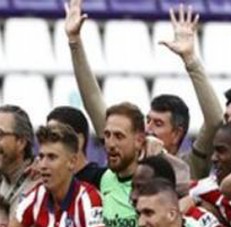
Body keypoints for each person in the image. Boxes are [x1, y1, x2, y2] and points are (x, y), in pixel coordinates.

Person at [66, 0, 222, 179]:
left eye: (158, 123)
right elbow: (93, 100)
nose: (148, 128)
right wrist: (74, 42)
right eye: (148, 120)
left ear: (177, 133)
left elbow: (215, 121)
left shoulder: (189, 167)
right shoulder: (128, 158)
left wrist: (191, 60)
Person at [46, 105, 106, 186]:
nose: (48, 144)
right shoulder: (45, 182)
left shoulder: (101, 179)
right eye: (47, 137)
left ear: (78, 141)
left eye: (55, 137)